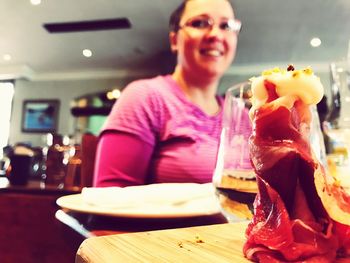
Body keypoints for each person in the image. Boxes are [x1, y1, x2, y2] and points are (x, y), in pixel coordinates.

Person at [93, 0, 244, 187]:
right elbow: (109, 199)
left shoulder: (241, 116)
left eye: (226, 25)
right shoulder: (145, 97)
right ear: (174, 40)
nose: (215, 34)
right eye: (199, 23)